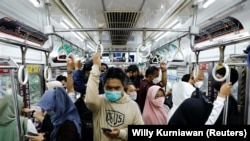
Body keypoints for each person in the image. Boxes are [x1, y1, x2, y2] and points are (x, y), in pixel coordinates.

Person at [85, 53, 144, 141]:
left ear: (123, 86)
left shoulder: (133, 106)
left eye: (116, 88)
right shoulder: (99, 102)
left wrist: (121, 133)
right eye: (109, 88)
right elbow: (90, 101)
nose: (112, 91)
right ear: (104, 86)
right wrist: (96, 67)